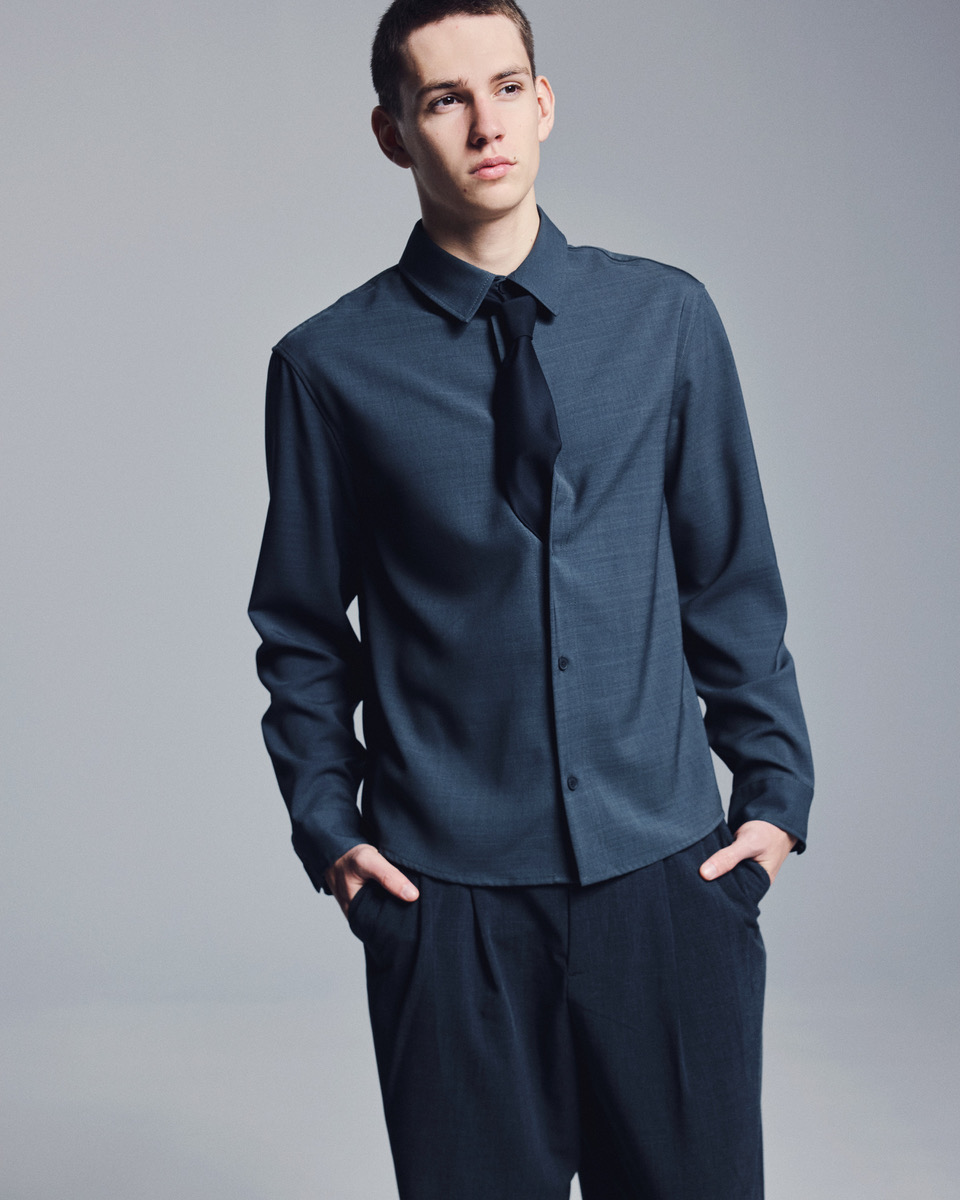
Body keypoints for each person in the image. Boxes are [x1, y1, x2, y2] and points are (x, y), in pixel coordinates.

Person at [248, 1, 814, 1196]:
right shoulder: (328, 367)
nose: (485, 124)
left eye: (507, 87)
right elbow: (299, 632)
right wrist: (333, 835)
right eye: (445, 98)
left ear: (545, 103)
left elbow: (730, 580)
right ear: (393, 132)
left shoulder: (666, 320)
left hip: (667, 885)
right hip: (448, 905)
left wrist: (774, 802)